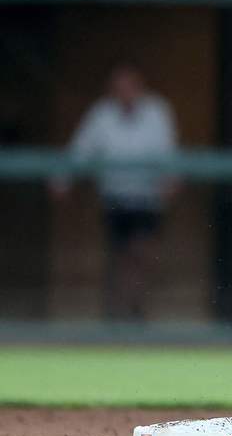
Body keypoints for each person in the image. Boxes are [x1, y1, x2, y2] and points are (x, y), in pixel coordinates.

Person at [52, 65, 178, 319]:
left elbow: (168, 150)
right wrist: (62, 179)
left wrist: (171, 178)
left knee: (141, 252)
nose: (125, 92)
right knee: (119, 255)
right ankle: (116, 312)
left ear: (140, 87)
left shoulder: (157, 111)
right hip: (115, 196)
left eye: (130, 86)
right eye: (119, 88)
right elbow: (81, 149)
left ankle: (135, 308)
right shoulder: (101, 114)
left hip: (147, 198)